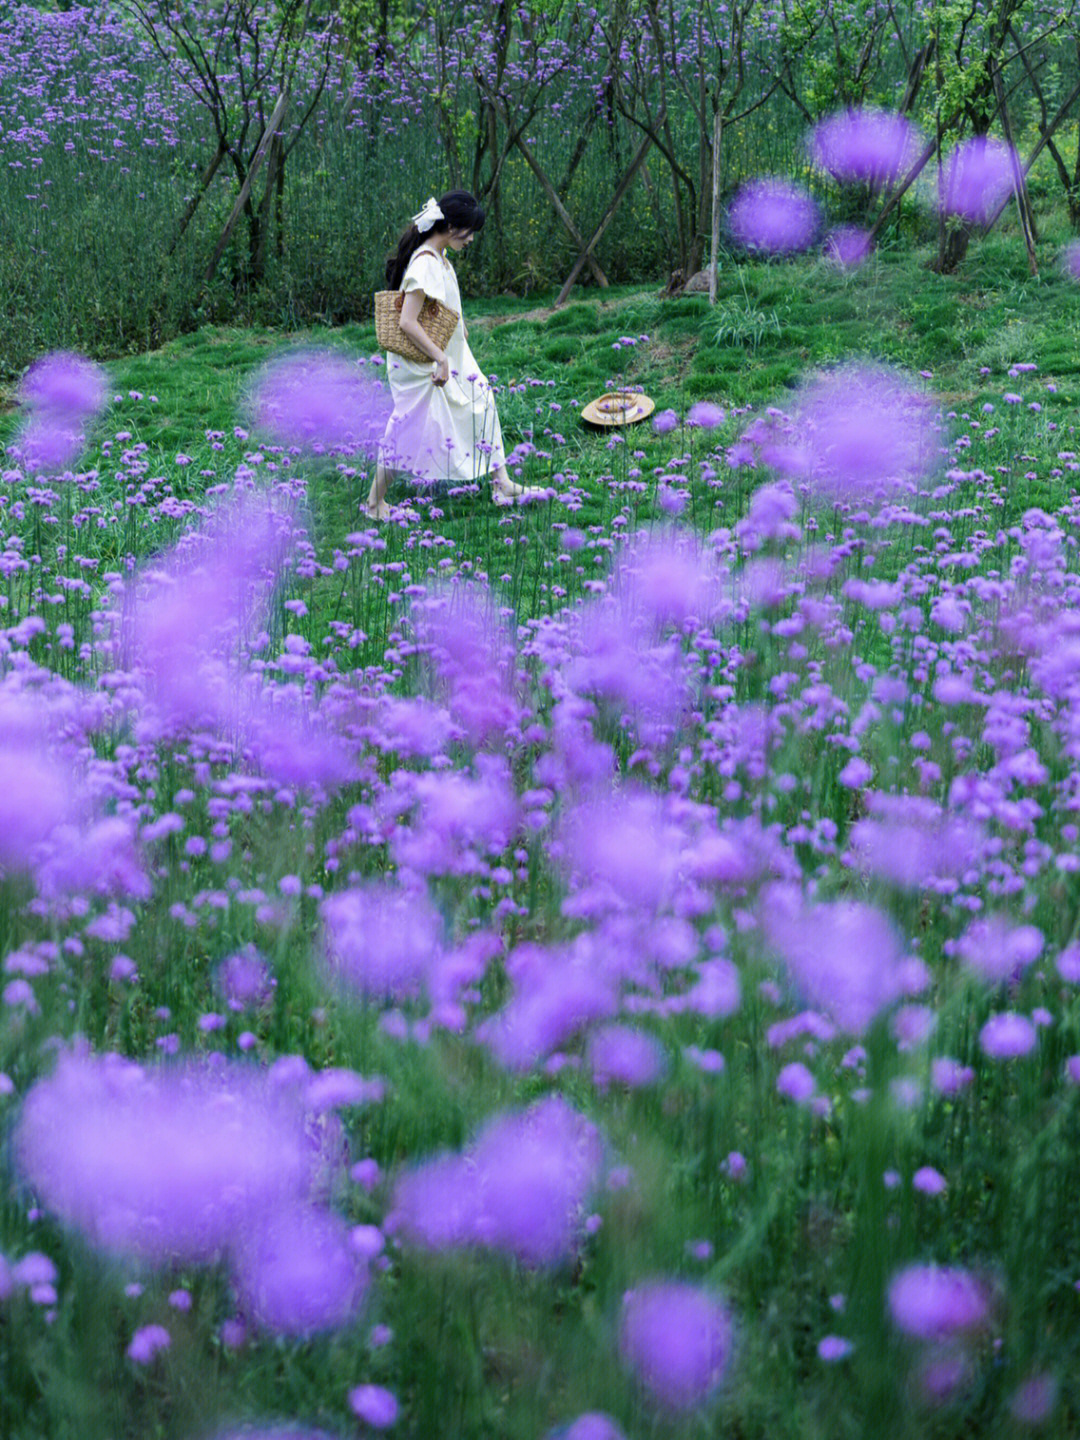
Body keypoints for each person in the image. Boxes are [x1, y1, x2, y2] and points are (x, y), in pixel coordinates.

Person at [364, 191, 541, 520]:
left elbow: (439, 308)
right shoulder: (426, 263)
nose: (471, 238)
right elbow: (407, 321)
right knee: (408, 428)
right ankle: (375, 504)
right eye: (468, 231)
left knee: (482, 398)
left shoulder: (439, 258)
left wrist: (459, 332)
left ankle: (500, 483)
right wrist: (441, 359)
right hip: (422, 362)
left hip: (446, 354)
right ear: (449, 226)